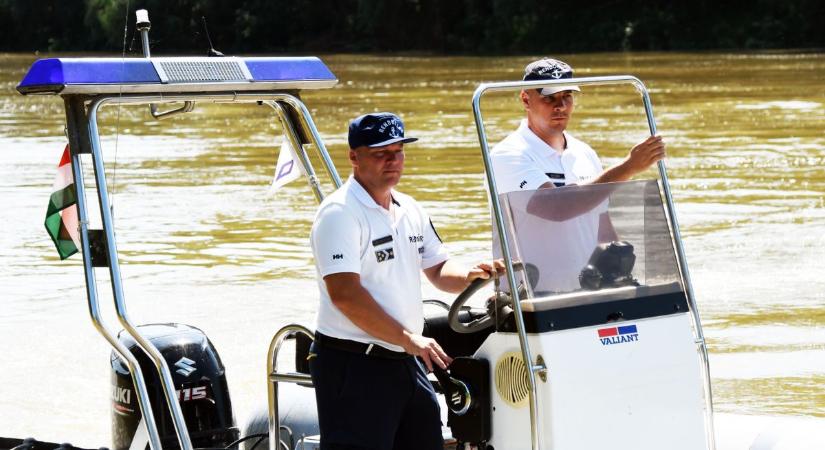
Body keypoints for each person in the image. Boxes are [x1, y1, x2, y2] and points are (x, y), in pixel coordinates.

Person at [309, 112, 502, 450]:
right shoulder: (339, 213)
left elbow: (440, 270)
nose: (392, 161)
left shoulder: (410, 208)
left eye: (398, 151)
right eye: (381, 153)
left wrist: (472, 274)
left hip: (405, 358)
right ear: (354, 156)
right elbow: (344, 295)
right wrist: (411, 339)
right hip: (354, 364)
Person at [489, 58, 666, 292]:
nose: (560, 106)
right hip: (529, 301)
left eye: (566, 97)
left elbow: (602, 229)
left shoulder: (585, 152)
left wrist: (618, 266)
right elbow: (556, 208)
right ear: (525, 99)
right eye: (548, 98)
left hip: (584, 296)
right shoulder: (507, 154)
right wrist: (629, 167)